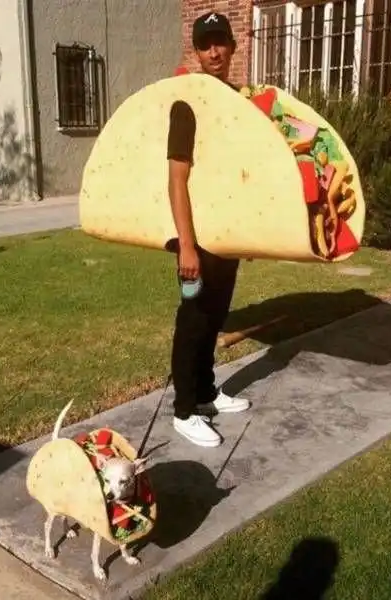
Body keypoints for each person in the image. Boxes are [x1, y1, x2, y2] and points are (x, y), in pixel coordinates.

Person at [166, 11, 250, 448]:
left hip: (226, 232)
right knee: (193, 321)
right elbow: (176, 178)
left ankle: (205, 393)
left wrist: (252, 232)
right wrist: (187, 245)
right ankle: (184, 411)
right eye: (205, 44)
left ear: (233, 46)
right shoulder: (188, 103)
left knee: (215, 317)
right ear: (196, 52)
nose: (214, 51)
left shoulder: (237, 100)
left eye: (220, 42)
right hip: (195, 236)